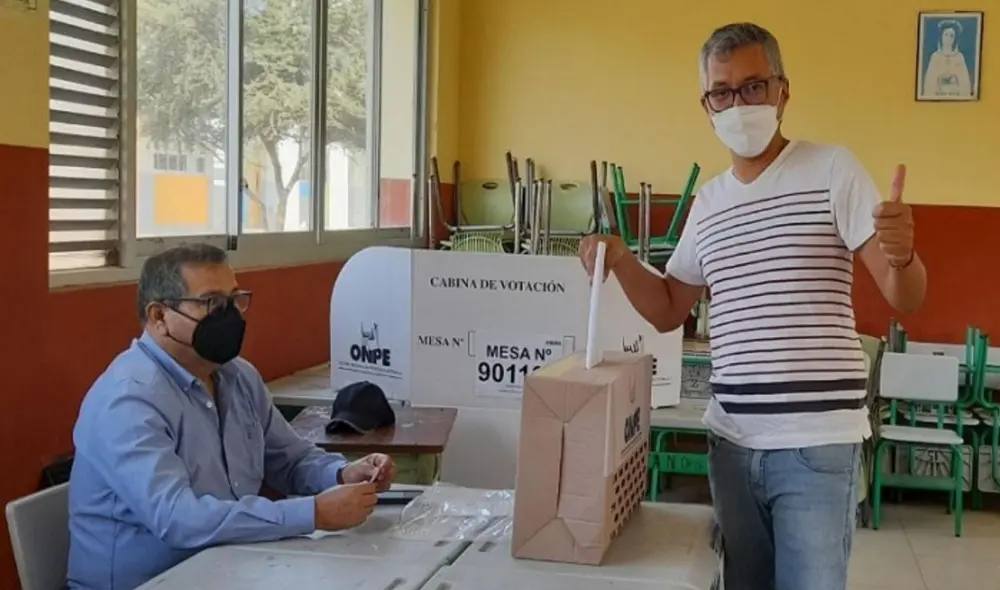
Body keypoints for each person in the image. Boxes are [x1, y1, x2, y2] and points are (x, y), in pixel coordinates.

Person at [579, 22, 926, 590]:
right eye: (723, 92)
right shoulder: (709, 204)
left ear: (783, 91)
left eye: (753, 86)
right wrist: (618, 261)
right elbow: (670, 307)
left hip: (816, 445)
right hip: (732, 446)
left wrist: (905, 254)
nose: (738, 103)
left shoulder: (832, 170)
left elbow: (903, 295)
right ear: (707, 105)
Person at [67, 243, 397, 590]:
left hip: (227, 567)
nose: (230, 316)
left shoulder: (237, 376)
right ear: (159, 317)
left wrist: (342, 475)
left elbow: (289, 459)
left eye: (234, 300)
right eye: (211, 303)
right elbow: (180, 520)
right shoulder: (128, 399)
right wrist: (313, 513)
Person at [923, 20, 973, 97]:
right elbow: (929, 82)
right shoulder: (935, 56)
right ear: (941, 36)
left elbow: (965, 83)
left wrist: (954, 78)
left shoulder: (959, 57)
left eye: (951, 36)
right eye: (945, 34)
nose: (948, 38)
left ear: (955, 39)